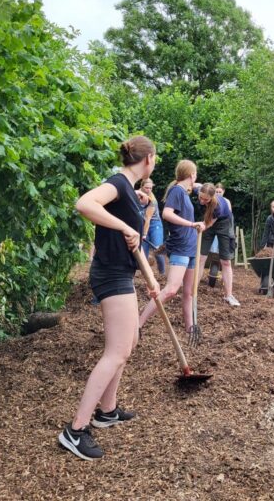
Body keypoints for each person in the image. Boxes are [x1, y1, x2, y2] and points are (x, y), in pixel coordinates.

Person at [59, 135, 160, 461]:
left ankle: (107, 410)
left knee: (129, 342)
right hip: (110, 274)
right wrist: (126, 226)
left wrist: (150, 279)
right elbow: (84, 204)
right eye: (155, 159)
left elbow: (132, 240)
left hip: (122, 272)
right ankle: (75, 430)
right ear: (148, 159)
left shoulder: (129, 191)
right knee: (116, 352)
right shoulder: (117, 183)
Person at [138, 160, 206, 334]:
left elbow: (199, 188)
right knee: (170, 290)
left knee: (189, 292)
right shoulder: (177, 191)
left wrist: (198, 225)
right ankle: (138, 324)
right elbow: (167, 214)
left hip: (191, 246)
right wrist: (191, 224)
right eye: (195, 173)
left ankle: (190, 328)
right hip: (180, 246)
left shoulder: (184, 192)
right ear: (191, 174)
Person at [196, 183, 240, 307]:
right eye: (201, 197)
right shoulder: (199, 191)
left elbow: (209, 224)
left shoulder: (218, 206)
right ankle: (193, 291)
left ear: (212, 197)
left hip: (223, 224)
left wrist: (199, 226)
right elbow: (193, 185)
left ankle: (228, 295)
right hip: (208, 219)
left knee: (226, 261)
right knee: (201, 258)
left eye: (206, 199)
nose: (202, 201)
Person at [138, 178, 166, 275]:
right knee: (143, 253)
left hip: (154, 224)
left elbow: (148, 219)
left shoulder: (152, 201)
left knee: (157, 250)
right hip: (142, 224)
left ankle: (162, 273)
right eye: (146, 188)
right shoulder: (136, 196)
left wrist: (144, 234)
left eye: (150, 188)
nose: (149, 190)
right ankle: (146, 275)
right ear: (141, 187)